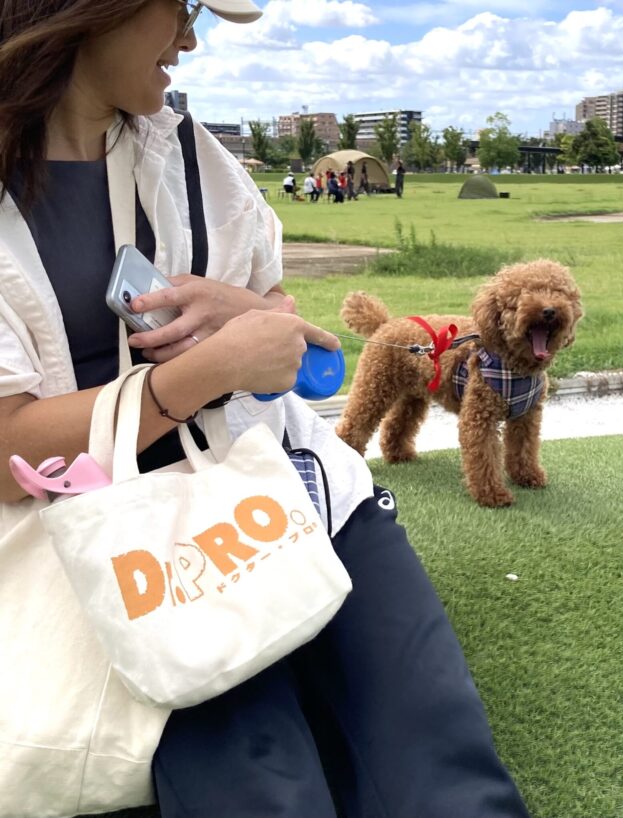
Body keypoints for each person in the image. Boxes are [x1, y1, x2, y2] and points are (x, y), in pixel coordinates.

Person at [0, 3, 530, 818]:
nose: (190, 38)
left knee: (444, 774)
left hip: (287, 487)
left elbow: (288, 327)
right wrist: (198, 375)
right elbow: (8, 457)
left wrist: (241, 308)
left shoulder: (187, 148)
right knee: (261, 788)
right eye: (182, 6)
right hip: (113, 542)